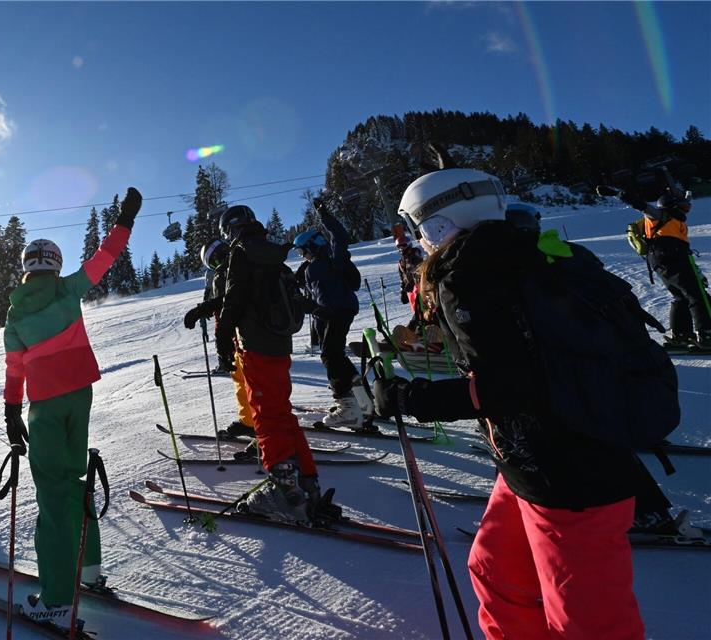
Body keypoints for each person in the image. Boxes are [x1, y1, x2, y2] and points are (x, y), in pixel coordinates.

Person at [374, 168, 646, 639]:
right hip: (535, 461)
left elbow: (508, 387)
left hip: (569, 475)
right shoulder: (523, 252)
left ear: (439, 224)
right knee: (496, 567)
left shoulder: (470, 273)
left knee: (587, 623)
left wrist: (409, 397)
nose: (420, 242)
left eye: (420, 228)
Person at [2, 187, 142, 625]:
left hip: (43, 405)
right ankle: (89, 569)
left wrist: (11, 412)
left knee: (52, 493)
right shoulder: (69, 290)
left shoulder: (15, 313)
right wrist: (126, 220)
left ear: (27, 268)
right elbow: (104, 258)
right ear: (55, 265)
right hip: (80, 395)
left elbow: (14, 369)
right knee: (73, 477)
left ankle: (57, 599)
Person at [214, 205, 333, 523]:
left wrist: (223, 339)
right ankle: (307, 483)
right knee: (281, 413)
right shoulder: (271, 254)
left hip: (256, 345)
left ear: (230, 230)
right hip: (280, 345)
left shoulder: (242, 252)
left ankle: (285, 493)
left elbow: (234, 298)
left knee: (266, 416)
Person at [601, 185, 710, 350]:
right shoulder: (659, 215)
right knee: (697, 295)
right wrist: (616, 193)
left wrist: (698, 273)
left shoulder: (676, 222)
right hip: (673, 260)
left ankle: (681, 336)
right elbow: (638, 203)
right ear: (673, 205)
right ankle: (707, 336)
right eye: (684, 204)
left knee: (681, 297)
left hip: (664, 262)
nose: (687, 208)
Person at [292, 196, 364, 429]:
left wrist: (324, 214)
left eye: (303, 251)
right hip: (328, 314)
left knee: (330, 355)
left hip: (339, 310)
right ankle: (361, 400)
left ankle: (348, 408)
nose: (303, 255)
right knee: (335, 356)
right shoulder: (310, 269)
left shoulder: (334, 258)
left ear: (313, 245)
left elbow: (340, 236)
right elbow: (311, 294)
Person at [182, 237, 256, 438]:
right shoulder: (226, 271)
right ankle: (249, 421)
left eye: (216, 260)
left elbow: (229, 301)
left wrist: (203, 309)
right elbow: (219, 302)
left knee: (252, 381)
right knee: (240, 378)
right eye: (213, 263)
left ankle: (262, 424)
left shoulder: (233, 270)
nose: (217, 264)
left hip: (242, 333)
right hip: (233, 334)